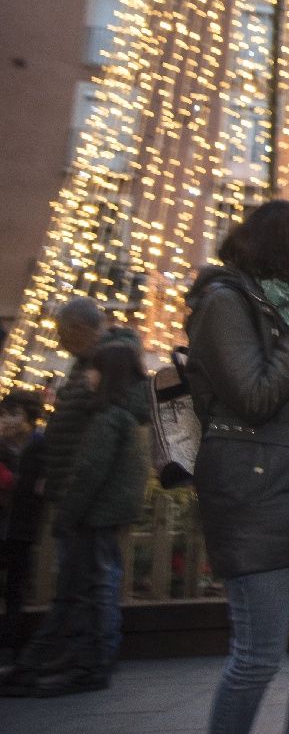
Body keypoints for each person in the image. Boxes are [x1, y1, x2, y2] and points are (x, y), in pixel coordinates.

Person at [184, 199, 289, 734]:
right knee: (259, 653)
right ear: (285, 240)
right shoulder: (224, 303)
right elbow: (255, 397)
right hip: (254, 494)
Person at [0, 298, 145, 696]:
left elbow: (101, 449)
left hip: (91, 503)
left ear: (83, 329)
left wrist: (72, 498)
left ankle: (89, 663)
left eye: (64, 333)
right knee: (82, 584)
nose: (60, 341)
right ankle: (78, 656)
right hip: (78, 497)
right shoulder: (88, 366)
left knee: (91, 584)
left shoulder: (110, 368)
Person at [0, 389, 46, 663]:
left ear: (29, 417)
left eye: (14, 413)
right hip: (6, 520)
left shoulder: (38, 445)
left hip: (21, 526)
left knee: (16, 587)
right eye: (5, 413)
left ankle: (9, 644)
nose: (7, 419)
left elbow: (37, 484)